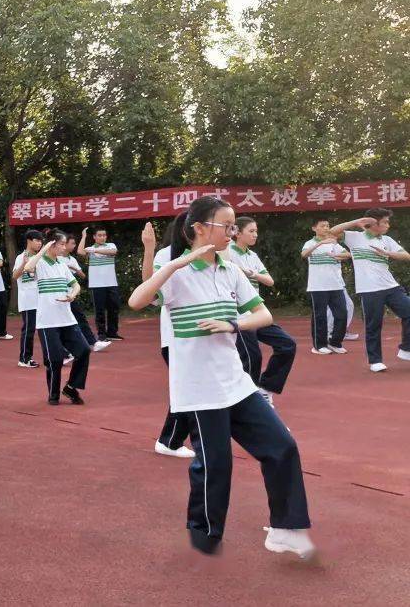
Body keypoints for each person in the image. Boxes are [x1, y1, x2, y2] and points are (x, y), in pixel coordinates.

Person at [128, 196, 314, 559]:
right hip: (199, 389)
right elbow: (138, 300)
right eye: (225, 226)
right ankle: (204, 535)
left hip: (236, 384)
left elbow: (263, 315)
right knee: (216, 466)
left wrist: (233, 323)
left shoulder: (229, 271)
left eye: (233, 227)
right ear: (199, 228)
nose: (232, 232)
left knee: (282, 447)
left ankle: (286, 529)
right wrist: (173, 263)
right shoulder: (177, 272)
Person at [226, 217, 296, 407]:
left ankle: (265, 388)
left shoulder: (252, 256)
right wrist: (241, 270)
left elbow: (270, 281)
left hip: (257, 313)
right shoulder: (227, 251)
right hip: (238, 314)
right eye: (251, 231)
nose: (255, 235)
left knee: (287, 345)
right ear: (237, 232)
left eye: (256, 231)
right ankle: (247, 401)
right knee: (252, 358)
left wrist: (254, 274)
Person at [330, 209, 410, 371]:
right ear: (374, 223)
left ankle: (406, 348)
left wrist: (389, 253)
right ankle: (375, 361)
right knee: (374, 325)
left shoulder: (387, 240)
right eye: (385, 222)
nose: (388, 225)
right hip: (369, 290)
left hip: (391, 287)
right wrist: (356, 222)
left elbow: (407, 256)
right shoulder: (355, 238)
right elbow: (333, 232)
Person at [141, 222, 194, 459]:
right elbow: (150, 291)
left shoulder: (209, 255)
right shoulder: (168, 255)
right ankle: (170, 440)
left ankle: (175, 439)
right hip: (177, 338)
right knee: (188, 389)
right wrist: (149, 249)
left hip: (203, 338)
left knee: (196, 388)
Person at [23, 230, 90, 405]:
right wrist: (42, 250)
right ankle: (54, 393)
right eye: (61, 244)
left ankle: (71, 387)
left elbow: (75, 285)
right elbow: (28, 268)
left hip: (67, 319)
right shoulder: (39, 264)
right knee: (55, 359)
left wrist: (72, 295)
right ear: (51, 244)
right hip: (47, 321)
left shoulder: (62, 264)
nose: (64, 247)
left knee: (83, 350)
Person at [301, 219, 351, 354]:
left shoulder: (334, 243)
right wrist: (320, 243)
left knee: (342, 314)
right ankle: (319, 345)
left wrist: (337, 255)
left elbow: (348, 254)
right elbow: (304, 254)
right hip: (317, 287)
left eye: (328, 226)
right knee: (320, 317)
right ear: (314, 228)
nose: (326, 228)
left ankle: (335, 342)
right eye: (322, 226)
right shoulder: (309, 243)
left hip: (336, 285)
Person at [62, 234, 107, 353]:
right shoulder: (56, 259)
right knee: (63, 323)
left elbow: (82, 275)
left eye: (74, 244)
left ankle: (93, 342)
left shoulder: (72, 259)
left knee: (80, 318)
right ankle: (64, 350)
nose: (73, 246)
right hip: (59, 296)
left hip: (70, 295)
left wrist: (74, 269)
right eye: (71, 243)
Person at [77, 226, 122, 342]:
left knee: (114, 307)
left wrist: (95, 251)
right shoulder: (90, 248)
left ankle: (112, 332)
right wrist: (83, 237)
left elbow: (113, 252)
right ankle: (102, 334)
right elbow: (80, 251)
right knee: (99, 310)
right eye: (99, 235)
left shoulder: (110, 245)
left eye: (104, 235)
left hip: (111, 283)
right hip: (97, 284)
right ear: (94, 237)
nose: (102, 237)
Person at [12, 229, 44, 368]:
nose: (39, 243)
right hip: (28, 300)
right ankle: (24, 358)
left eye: (41, 241)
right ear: (29, 241)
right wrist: (23, 265)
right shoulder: (21, 257)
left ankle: (59, 354)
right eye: (37, 240)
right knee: (29, 329)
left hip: (41, 299)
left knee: (46, 328)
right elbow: (15, 276)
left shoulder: (40, 258)